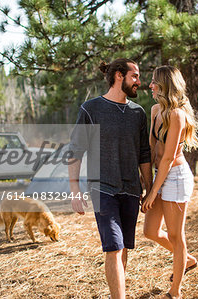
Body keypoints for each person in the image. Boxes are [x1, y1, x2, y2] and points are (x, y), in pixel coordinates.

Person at [68, 58, 153, 299]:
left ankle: (118, 293)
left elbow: (144, 154)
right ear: (119, 75)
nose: (139, 81)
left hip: (130, 190)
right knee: (114, 247)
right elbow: (75, 151)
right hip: (102, 189)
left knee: (123, 247)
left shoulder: (138, 113)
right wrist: (75, 190)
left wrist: (148, 188)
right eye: (134, 76)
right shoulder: (91, 109)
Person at [141, 65, 198, 299]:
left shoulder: (177, 115)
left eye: (154, 82)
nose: (150, 86)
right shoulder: (156, 110)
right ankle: (187, 259)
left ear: (165, 85)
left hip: (175, 178)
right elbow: (152, 148)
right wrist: (148, 184)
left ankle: (175, 292)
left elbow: (167, 158)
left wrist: (153, 192)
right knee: (150, 231)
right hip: (160, 176)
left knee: (176, 236)